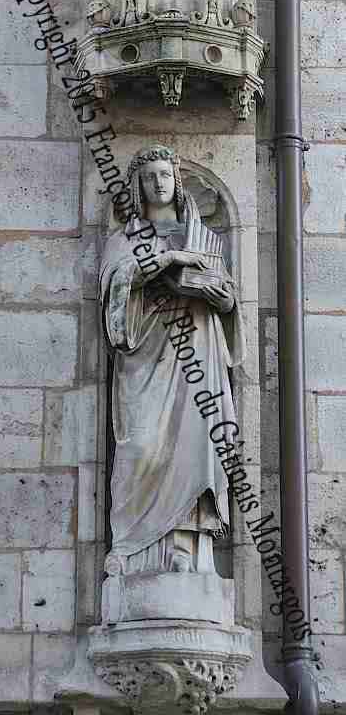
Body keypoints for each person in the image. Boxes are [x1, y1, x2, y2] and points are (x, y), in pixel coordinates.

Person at [99, 145, 246, 576]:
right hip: (145, 353)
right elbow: (114, 285)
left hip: (197, 352)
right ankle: (128, 547)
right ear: (138, 186)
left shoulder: (204, 237)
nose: (159, 182)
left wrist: (221, 296)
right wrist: (170, 258)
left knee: (194, 448)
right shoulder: (122, 240)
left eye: (166, 174)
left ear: (176, 180)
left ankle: (188, 549)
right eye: (150, 177)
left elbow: (229, 298)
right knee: (142, 447)